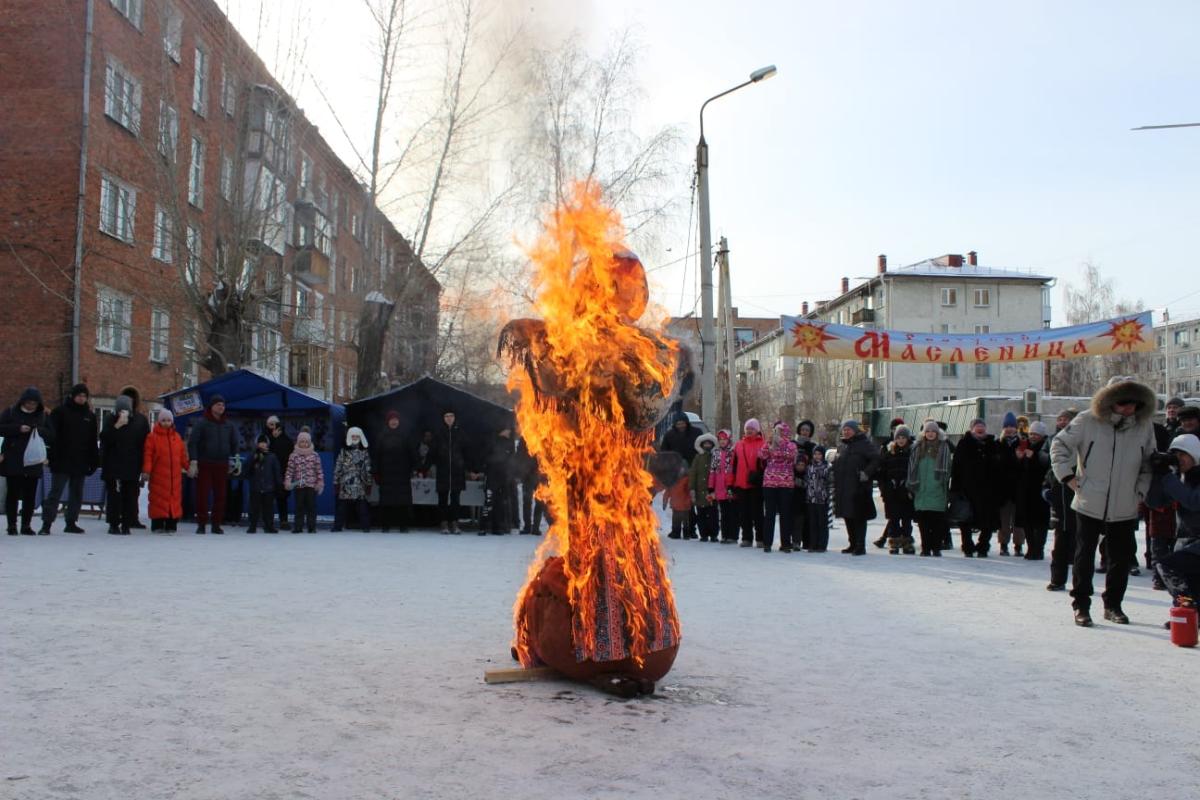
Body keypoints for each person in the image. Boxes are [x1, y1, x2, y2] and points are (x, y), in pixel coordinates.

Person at [1050, 376, 1156, 627]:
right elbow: (1059, 444)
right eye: (1123, 402)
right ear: (1110, 401)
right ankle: (1081, 606)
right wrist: (1068, 477)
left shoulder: (1144, 426)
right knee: (1083, 556)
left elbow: (1148, 462)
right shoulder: (1088, 420)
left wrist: (1140, 492)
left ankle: (1113, 605)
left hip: (1125, 504)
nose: (1128, 408)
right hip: (1089, 501)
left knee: (1120, 558)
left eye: (1133, 403)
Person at [1150, 434, 1200, 612]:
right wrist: (1157, 475)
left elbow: (1192, 501)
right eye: (1175, 456)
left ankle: (1186, 608)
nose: (1179, 460)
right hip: (1185, 542)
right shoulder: (1178, 478)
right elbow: (1156, 503)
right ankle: (1191, 617)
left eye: (1183, 455)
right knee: (1192, 583)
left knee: (1167, 565)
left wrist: (1167, 477)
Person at [40, 383, 99, 534]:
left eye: (84, 396)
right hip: (62, 460)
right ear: (73, 396)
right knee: (55, 492)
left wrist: (94, 461)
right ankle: (47, 523)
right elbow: (51, 436)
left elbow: (93, 441)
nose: (82, 398)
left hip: (81, 461)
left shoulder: (90, 417)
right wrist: (52, 457)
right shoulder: (60, 412)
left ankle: (71, 522)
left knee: (77, 493)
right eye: (79, 395)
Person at [1, 387, 52, 535]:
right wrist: (18, 429)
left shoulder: (41, 415)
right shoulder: (10, 412)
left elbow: (51, 433)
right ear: (23, 401)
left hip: (33, 459)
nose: (31, 406)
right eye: (29, 403)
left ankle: (26, 525)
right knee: (13, 494)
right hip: (13, 458)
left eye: (34, 404)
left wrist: (37, 431)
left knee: (30, 494)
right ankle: (11, 525)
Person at [187, 395, 240, 534]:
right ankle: (202, 524)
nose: (221, 407)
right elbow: (192, 443)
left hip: (222, 465)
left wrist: (234, 459)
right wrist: (194, 461)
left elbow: (235, 443)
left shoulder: (228, 425)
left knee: (221, 496)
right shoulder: (202, 423)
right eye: (218, 405)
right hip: (205, 464)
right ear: (211, 407)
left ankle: (216, 524)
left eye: (223, 405)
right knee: (202, 495)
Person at [950, 418, 1000, 557]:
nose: (980, 429)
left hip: (988, 490)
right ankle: (967, 545)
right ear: (972, 429)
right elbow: (956, 467)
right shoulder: (964, 443)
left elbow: (998, 466)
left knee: (988, 521)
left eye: (982, 427)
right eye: (977, 427)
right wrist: (955, 488)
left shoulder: (992, 444)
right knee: (965, 519)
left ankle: (983, 545)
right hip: (967, 489)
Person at [99, 393, 148, 534]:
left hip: (131, 465)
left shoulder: (139, 421)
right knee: (114, 497)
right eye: (121, 410)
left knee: (130, 496)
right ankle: (113, 524)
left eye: (126, 410)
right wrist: (117, 426)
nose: (123, 413)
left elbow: (144, 444)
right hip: (113, 465)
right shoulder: (110, 420)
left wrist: (143, 465)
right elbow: (104, 439)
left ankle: (127, 523)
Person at [833, 419, 881, 556]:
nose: (846, 432)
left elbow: (876, 459)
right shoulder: (843, 446)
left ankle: (860, 545)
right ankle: (852, 543)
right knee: (848, 515)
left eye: (849, 429)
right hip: (844, 487)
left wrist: (866, 473)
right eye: (844, 429)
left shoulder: (864, 444)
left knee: (859, 516)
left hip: (859, 487)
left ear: (855, 430)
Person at [1045, 408, 1080, 590]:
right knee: (1060, 541)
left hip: (1080, 495)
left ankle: (1080, 583)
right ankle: (1057, 579)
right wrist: (1046, 487)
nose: (1062, 422)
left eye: (1066, 419)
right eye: (1060, 419)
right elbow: (1051, 469)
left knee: (1080, 543)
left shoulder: (1082, 440)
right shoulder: (1054, 441)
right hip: (1060, 495)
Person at [908, 420, 951, 556]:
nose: (930, 434)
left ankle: (936, 548)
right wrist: (912, 486)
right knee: (923, 523)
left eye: (933, 431)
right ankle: (926, 547)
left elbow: (948, 469)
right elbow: (911, 468)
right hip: (921, 490)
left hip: (937, 489)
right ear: (924, 433)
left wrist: (943, 485)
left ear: (937, 433)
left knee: (937, 523)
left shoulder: (944, 447)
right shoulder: (917, 447)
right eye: (928, 431)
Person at [141, 409, 188, 533]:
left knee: (174, 500)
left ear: (172, 422)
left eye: (168, 420)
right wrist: (146, 471)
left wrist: (189, 467)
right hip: (158, 476)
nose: (166, 423)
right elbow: (148, 455)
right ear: (159, 421)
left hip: (175, 478)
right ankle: (157, 524)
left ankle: (171, 524)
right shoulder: (152, 437)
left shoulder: (177, 438)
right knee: (158, 500)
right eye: (163, 420)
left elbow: (183, 456)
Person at [758, 422, 798, 553]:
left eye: (780, 431)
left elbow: (791, 456)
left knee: (785, 514)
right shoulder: (770, 443)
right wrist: (768, 444)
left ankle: (786, 543)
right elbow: (762, 455)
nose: (777, 434)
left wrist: (780, 443)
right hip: (769, 483)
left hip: (785, 484)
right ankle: (767, 543)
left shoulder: (791, 444)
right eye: (776, 431)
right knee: (769, 514)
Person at [660, 412, 701, 538]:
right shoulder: (669, 435)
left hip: (692, 470)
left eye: (682, 423)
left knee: (690, 503)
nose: (680, 425)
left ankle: (691, 530)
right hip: (676, 471)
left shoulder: (696, 432)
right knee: (677, 502)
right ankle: (676, 530)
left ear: (686, 422)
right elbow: (663, 453)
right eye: (678, 423)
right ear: (674, 424)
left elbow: (702, 448)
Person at [1015, 421, 1052, 560]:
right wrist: (1019, 459)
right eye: (1031, 433)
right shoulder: (1024, 445)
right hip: (1025, 491)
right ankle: (1031, 548)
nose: (1033, 436)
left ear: (1042, 435)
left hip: (1040, 489)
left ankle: (1039, 549)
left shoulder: (1045, 446)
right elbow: (1019, 470)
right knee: (1027, 521)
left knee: (1041, 522)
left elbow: (1046, 466)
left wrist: (1034, 458)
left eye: (1036, 434)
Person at [373, 411, 414, 532]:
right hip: (386, 474)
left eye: (396, 419)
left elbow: (412, 453)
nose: (394, 421)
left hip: (402, 474)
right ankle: (386, 525)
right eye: (392, 419)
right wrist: (375, 472)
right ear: (388, 421)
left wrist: (415, 468)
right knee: (386, 502)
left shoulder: (405, 435)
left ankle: (403, 525)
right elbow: (376, 455)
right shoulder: (381, 436)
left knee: (403, 502)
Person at [993, 410, 1027, 556]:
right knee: (1004, 520)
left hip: (1018, 488)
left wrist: (1021, 459)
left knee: (1019, 520)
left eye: (1012, 427)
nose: (1009, 429)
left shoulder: (1022, 444)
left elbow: (1026, 467)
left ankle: (1018, 545)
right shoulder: (997, 444)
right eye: (1007, 427)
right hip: (1002, 488)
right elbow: (995, 465)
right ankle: (1003, 544)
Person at [878, 425, 916, 554]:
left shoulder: (912, 453)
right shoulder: (889, 453)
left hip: (906, 493)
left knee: (906, 520)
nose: (900, 440)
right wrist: (885, 489)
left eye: (903, 437)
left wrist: (911, 488)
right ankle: (894, 542)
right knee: (893, 520)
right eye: (898, 437)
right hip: (892, 493)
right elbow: (882, 473)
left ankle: (907, 543)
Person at [732, 418, 766, 547]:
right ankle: (746, 538)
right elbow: (733, 466)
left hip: (756, 484)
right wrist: (732, 482)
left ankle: (760, 539)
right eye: (747, 429)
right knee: (744, 513)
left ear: (757, 430)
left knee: (757, 512)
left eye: (752, 429)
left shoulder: (763, 444)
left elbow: (765, 464)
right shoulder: (739, 445)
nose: (749, 431)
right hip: (741, 483)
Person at [433, 409, 467, 534]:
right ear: (443, 418)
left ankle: (454, 522)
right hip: (443, 470)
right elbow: (433, 452)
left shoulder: (461, 432)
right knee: (442, 498)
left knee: (455, 499)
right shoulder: (439, 433)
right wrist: (424, 468)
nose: (449, 418)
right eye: (446, 416)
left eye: (451, 416)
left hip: (457, 471)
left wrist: (471, 469)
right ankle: (443, 523)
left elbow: (466, 452)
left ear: (455, 417)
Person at [333, 427, 372, 533]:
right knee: (341, 508)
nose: (355, 438)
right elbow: (338, 466)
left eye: (357, 436)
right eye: (353, 436)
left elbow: (368, 468)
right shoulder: (343, 451)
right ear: (349, 437)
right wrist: (336, 482)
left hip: (360, 484)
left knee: (362, 508)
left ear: (361, 437)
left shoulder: (364, 452)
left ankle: (366, 527)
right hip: (345, 484)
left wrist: (369, 483)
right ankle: (337, 526)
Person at [284, 431, 323, 533]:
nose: (304, 444)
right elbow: (290, 470)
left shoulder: (315, 455)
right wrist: (288, 481)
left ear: (309, 442)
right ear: (298, 442)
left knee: (311, 507)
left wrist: (320, 483)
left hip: (311, 485)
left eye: (306, 442)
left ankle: (311, 527)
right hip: (299, 485)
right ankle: (298, 527)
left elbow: (319, 471)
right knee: (299, 506)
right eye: (302, 442)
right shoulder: (293, 455)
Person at [245, 434, 283, 533]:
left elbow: (277, 471)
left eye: (264, 443)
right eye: (260, 443)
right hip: (255, 487)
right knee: (254, 508)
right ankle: (252, 526)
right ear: (257, 444)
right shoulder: (252, 455)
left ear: (267, 444)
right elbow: (247, 470)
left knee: (269, 509)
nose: (262, 445)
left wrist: (279, 484)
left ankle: (269, 526)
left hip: (269, 488)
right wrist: (253, 459)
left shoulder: (272, 456)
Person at [707, 429, 738, 543]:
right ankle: (724, 535)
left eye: (724, 439)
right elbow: (712, 470)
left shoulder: (733, 451)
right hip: (719, 487)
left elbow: (735, 469)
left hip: (731, 486)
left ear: (728, 439)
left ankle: (733, 536)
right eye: (720, 440)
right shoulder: (715, 453)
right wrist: (711, 486)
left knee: (732, 512)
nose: (722, 441)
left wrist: (733, 485)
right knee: (724, 513)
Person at [265, 415, 294, 530]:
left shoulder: (286, 439)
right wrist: (272, 438)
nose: (272, 427)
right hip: (267, 474)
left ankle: (284, 521)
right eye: (270, 424)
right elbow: (263, 450)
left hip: (282, 473)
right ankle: (268, 521)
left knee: (282, 498)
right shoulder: (265, 437)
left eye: (274, 424)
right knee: (267, 498)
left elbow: (290, 456)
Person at [484, 427, 515, 535]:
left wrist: (510, 474)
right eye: (507, 429)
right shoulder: (493, 442)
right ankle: (487, 526)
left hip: (504, 477)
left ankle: (501, 526)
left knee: (502, 502)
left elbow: (511, 460)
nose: (509, 431)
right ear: (502, 431)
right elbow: (487, 458)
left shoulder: (509, 444)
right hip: (493, 476)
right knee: (491, 502)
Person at [690, 433, 718, 542]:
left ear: (712, 444)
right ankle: (703, 534)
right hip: (699, 491)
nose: (707, 445)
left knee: (713, 514)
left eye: (709, 443)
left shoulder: (715, 456)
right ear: (701, 445)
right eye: (705, 443)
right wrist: (692, 488)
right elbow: (693, 473)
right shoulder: (697, 458)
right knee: (701, 514)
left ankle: (714, 534)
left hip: (712, 491)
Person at [793, 420, 816, 549]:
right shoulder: (793, 444)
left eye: (807, 430)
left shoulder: (812, 446)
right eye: (803, 430)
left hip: (808, 484)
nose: (805, 432)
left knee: (807, 515)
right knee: (796, 514)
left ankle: (807, 542)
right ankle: (795, 540)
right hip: (793, 482)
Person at [804, 445, 833, 552]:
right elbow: (806, 480)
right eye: (815, 454)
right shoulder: (809, 467)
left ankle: (822, 544)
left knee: (822, 523)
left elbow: (831, 481)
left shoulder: (827, 467)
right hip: (811, 498)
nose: (817, 456)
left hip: (822, 498)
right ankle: (812, 544)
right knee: (812, 522)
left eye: (819, 454)